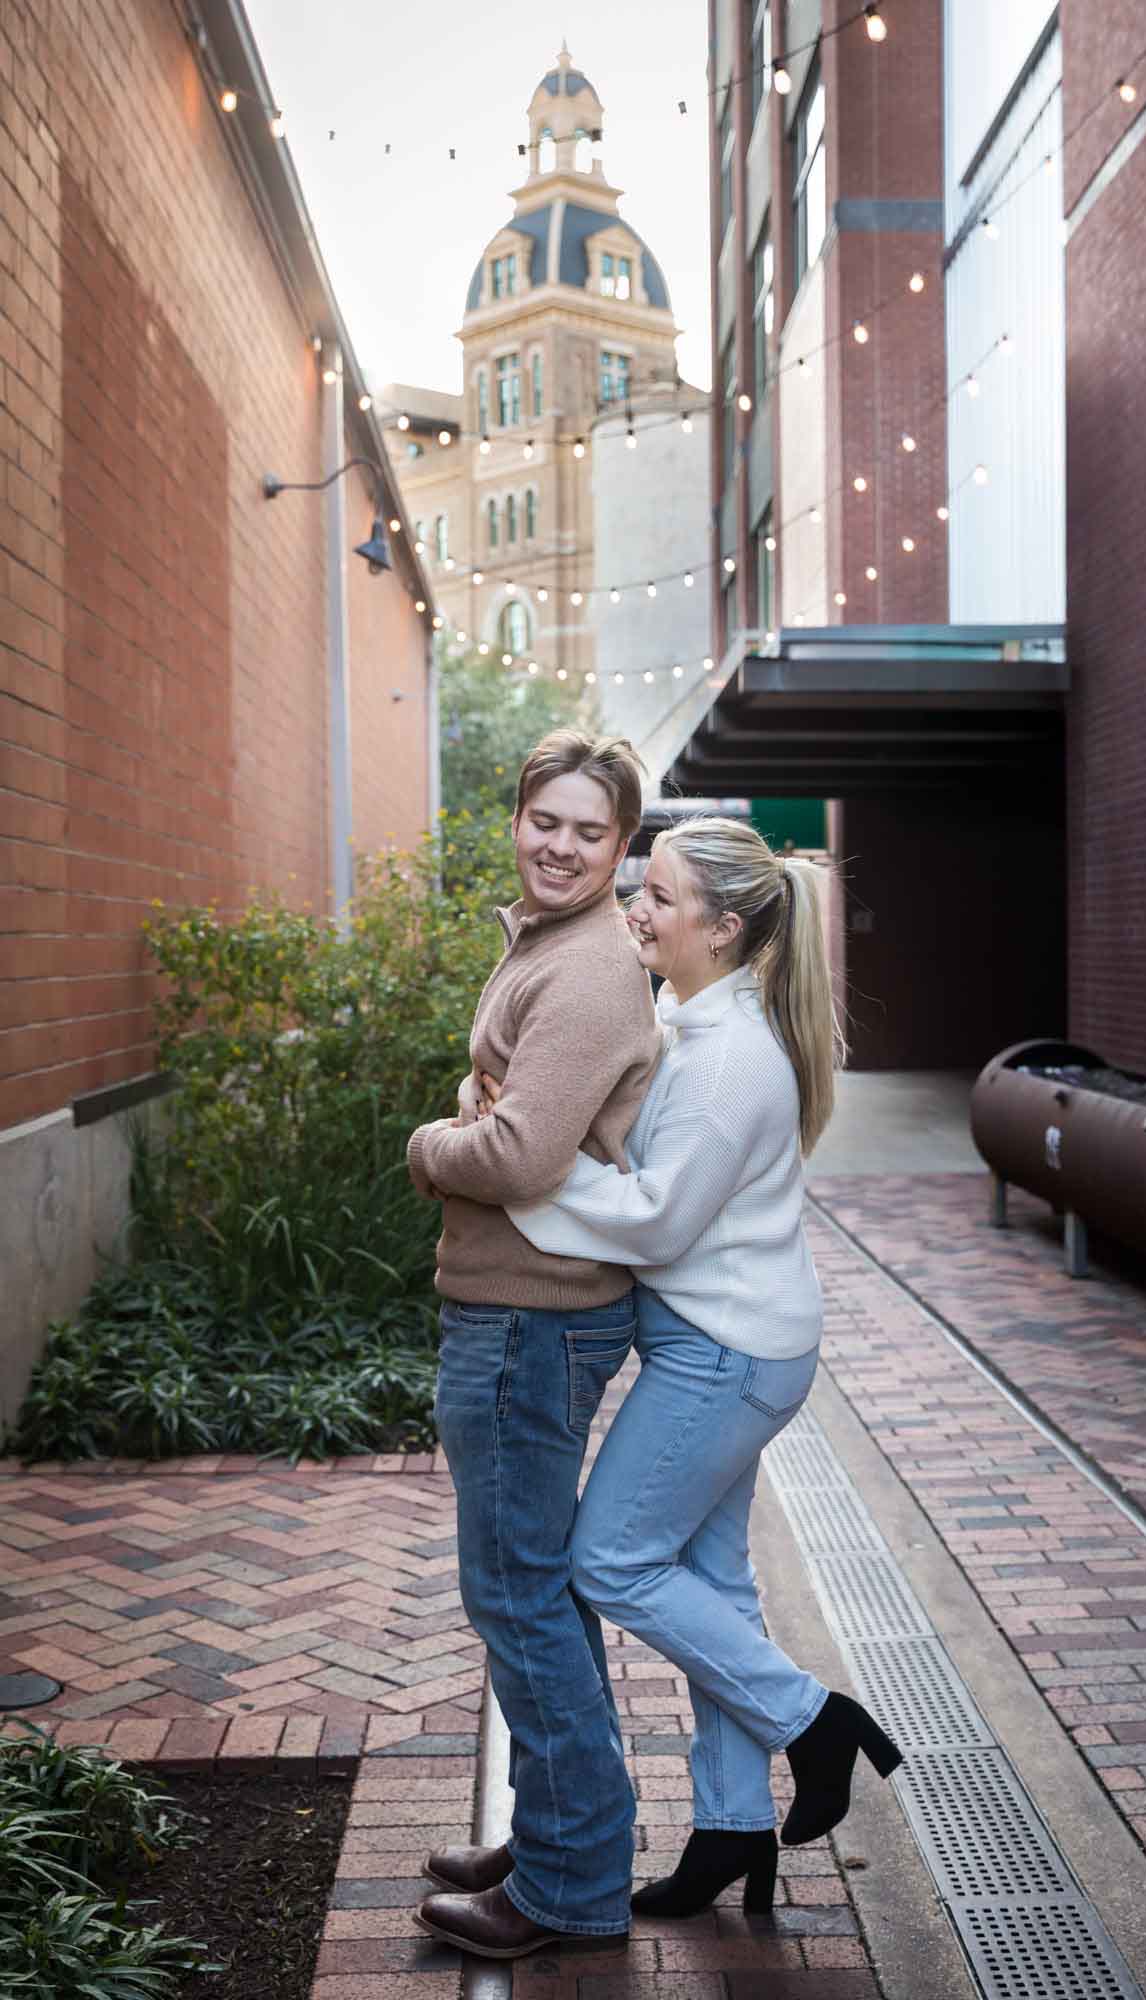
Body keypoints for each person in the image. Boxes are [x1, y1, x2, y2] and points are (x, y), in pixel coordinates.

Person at [474, 816, 901, 1920]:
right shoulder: (690, 1013)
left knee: (610, 1562)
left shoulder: (729, 1062)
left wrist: (523, 1168)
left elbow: (655, 1222)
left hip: (725, 1355)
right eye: (638, 886)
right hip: (723, 1340)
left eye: (657, 896)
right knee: (708, 1585)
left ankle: (813, 1720)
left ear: (721, 926)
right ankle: (729, 1826)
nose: (634, 908)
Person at [404, 731, 660, 1961]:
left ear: (622, 846)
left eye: (589, 831)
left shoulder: (592, 971)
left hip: (529, 1320)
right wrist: (482, 1113)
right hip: (521, 1314)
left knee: (517, 1592)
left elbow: (515, 1155)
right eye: (543, 821)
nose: (559, 845)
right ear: (517, 819)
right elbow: (508, 1118)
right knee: (537, 1586)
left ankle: (570, 1883)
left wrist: (427, 1142)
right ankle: (565, 1830)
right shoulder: (550, 946)